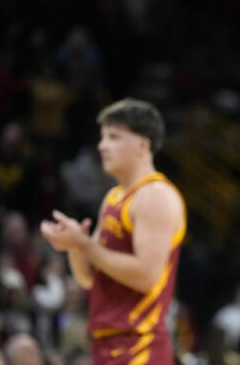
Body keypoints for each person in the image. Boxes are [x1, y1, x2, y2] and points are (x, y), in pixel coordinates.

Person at [40, 98, 186, 365]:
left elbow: (146, 275)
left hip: (140, 345)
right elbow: (88, 278)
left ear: (143, 145)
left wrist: (85, 245)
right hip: (106, 342)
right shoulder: (114, 198)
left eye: (114, 137)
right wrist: (74, 245)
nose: (102, 146)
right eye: (103, 137)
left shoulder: (155, 196)